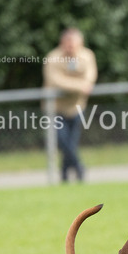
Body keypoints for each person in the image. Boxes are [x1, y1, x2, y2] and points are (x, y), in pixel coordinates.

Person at [44, 28, 97, 182]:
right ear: (62, 43)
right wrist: (80, 86)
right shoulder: (53, 57)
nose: (70, 48)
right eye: (67, 44)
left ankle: (65, 174)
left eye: (73, 44)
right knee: (63, 142)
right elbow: (55, 81)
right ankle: (79, 167)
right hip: (55, 109)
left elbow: (90, 76)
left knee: (71, 144)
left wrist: (84, 84)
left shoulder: (87, 56)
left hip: (77, 107)